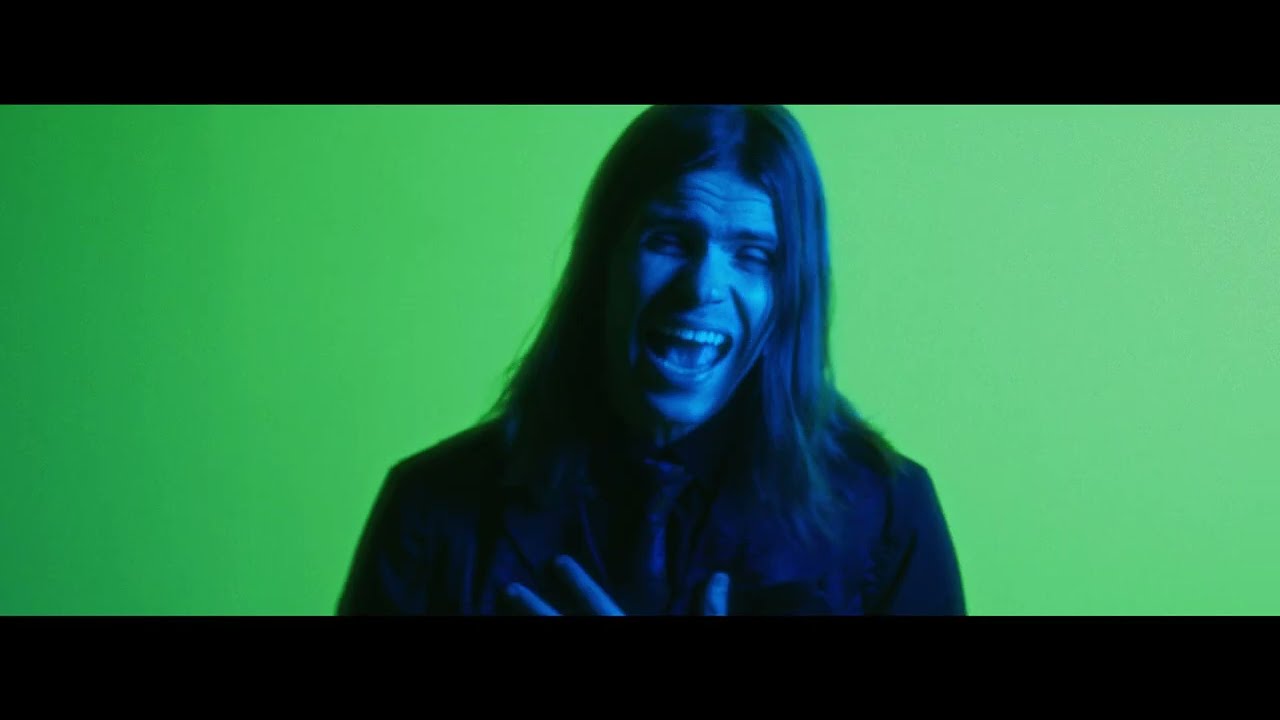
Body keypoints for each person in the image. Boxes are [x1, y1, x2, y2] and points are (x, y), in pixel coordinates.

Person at [337, 105, 966, 616]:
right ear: (603, 261)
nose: (702, 288)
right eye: (669, 240)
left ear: (790, 293)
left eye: (753, 256)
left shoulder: (888, 519)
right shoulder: (432, 511)